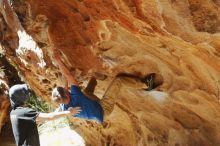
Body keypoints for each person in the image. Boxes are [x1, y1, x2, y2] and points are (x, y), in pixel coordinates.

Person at [51, 49, 122, 124]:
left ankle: (98, 77)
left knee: (86, 92)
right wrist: (58, 59)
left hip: (95, 108)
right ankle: (135, 82)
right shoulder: (76, 96)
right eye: (64, 89)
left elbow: (53, 114)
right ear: (66, 94)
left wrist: (68, 112)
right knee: (119, 79)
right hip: (104, 109)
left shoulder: (64, 106)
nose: (65, 88)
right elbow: (68, 75)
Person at [9, 84, 81, 146]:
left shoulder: (14, 113)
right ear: (20, 97)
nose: (27, 95)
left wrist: (62, 106)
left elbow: (41, 120)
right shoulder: (24, 112)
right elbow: (49, 117)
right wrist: (69, 112)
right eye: (24, 93)